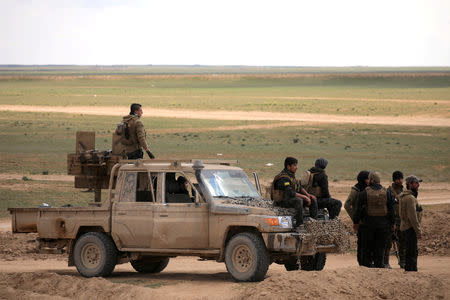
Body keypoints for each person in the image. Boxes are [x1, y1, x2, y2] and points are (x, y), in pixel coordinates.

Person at [353, 172, 395, 268]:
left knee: (367, 249)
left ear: (372, 180)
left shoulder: (364, 193)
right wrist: (393, 223)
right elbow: (391, 210)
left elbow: (358, 210)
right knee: (380, 249)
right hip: (383, 226)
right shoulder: (387, 192)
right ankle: (379, 268)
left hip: (368, 226)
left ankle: (367, 270)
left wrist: (356, 222)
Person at [271, 157, 318, 226]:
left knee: (313, 198)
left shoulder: (291, 175)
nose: (297, 167)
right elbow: (290, 192)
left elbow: (299, 187)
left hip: (289, 199)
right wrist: (304, 197)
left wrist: (308, 195)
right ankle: (299, 223)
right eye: (295, 165)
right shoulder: (284, 178)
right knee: (299, 200)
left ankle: (313, 222)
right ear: (288, 166)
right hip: (282, 201)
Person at [344, 170, 369, 265]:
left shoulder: (368, 189)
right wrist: (355, 219)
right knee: (362, 243)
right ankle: (361, 262)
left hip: (368, 220)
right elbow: (347, 205)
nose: (369, 180)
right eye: (367, 178)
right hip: (360, 221)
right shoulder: (356, 190)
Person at [398, 175, 423, 272]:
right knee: (412, 251)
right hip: (410, 228)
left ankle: (409, 270)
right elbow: (413, 217)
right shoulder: (410, 198)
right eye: (416, 183)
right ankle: (411, 271)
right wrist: (418, 231)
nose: (418, 185)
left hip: (406, 227)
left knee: (409, 250)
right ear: (410, 184)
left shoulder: (404, 196)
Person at [385, 171, 404, 268]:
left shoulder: (403, 191)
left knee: (401, 241)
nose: (400, 181)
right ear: (395, 179)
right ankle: (386, 262)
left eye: (401, 178)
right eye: (398, 179)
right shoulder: (389, 191)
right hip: (392, 220)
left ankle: (402, 261)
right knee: (388, 242)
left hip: (401, 220)